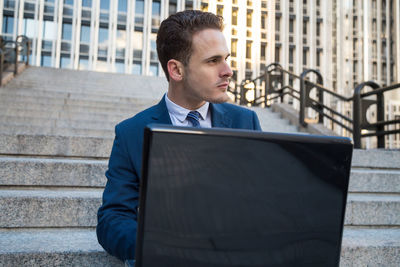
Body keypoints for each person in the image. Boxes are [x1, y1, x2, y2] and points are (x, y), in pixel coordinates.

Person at [96, 10, 261, 262]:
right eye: (213, 61)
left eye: (226, 58)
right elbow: (113, 218)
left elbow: (262, 202)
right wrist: (161, 249)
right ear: (176, 70)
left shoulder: (245, 121)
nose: (228, 70)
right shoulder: (131, 133)